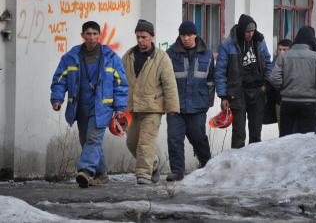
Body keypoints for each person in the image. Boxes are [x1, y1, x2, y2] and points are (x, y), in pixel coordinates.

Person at [50, 21, 128, 188]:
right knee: (86, 140)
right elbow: (60, 79)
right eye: (88, 34)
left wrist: (120, 108)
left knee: (93, 138)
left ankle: (85, 171)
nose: (91, 37)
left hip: (102, 107)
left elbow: (120, 84)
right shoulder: (71, 57)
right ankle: (101, 173)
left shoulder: (111, 58)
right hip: (80, 106)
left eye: (95, 34)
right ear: (82, 35)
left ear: (100, 36)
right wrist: (57, 99)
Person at [122, 19, 179, 184]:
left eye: (144, 37)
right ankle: (153, 163)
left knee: (145, 143)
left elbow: (170, 84)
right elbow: (119, 80)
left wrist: (172, 107)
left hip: (153, 107)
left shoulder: (161, 58)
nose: (140, 40)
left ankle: (143, 175)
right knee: (132, 142)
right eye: (138, 37)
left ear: (152, 37)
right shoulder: (128, 56)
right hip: (133, 107)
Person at [165, 21, 215, 181]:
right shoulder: (170, 54)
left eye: (189, 35)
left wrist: (207, 102)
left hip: (198, 104)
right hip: (175, 105)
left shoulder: (206, 53)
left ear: (195, 34)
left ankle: (207, 165)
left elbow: (211, 80)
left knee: (198, 137)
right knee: (174, 138)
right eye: (183, 35)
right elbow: (165, 80)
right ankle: (177, 171)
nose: (186, 38)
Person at [215, 14, 272, 148]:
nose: (250, 34)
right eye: (247, 31)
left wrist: (266, 84)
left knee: (256, 133)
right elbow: (220, 72)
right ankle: (237, 166)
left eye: (252, 31)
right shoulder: (228, 45)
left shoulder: (259, 41)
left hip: (258, 91)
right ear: (241, 30)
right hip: (237, 93)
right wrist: (223, 96)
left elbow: (269, 63)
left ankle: (254, 164)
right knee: (239, 133)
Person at [271, 26, 316, 136]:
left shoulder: (284, 56)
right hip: (308, 103)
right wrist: (315, 88)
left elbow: (274, 78)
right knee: (306, 140)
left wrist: (284, 88)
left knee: (286, 138)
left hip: (287, 102)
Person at [263, 39, 293, 129]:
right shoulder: (274, 62)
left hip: (293, 100)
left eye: (285, 49)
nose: (281, 52)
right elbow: (271, 78)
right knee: (282, 130)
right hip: (279, 101)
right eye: (279, 49)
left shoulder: (294, 62)